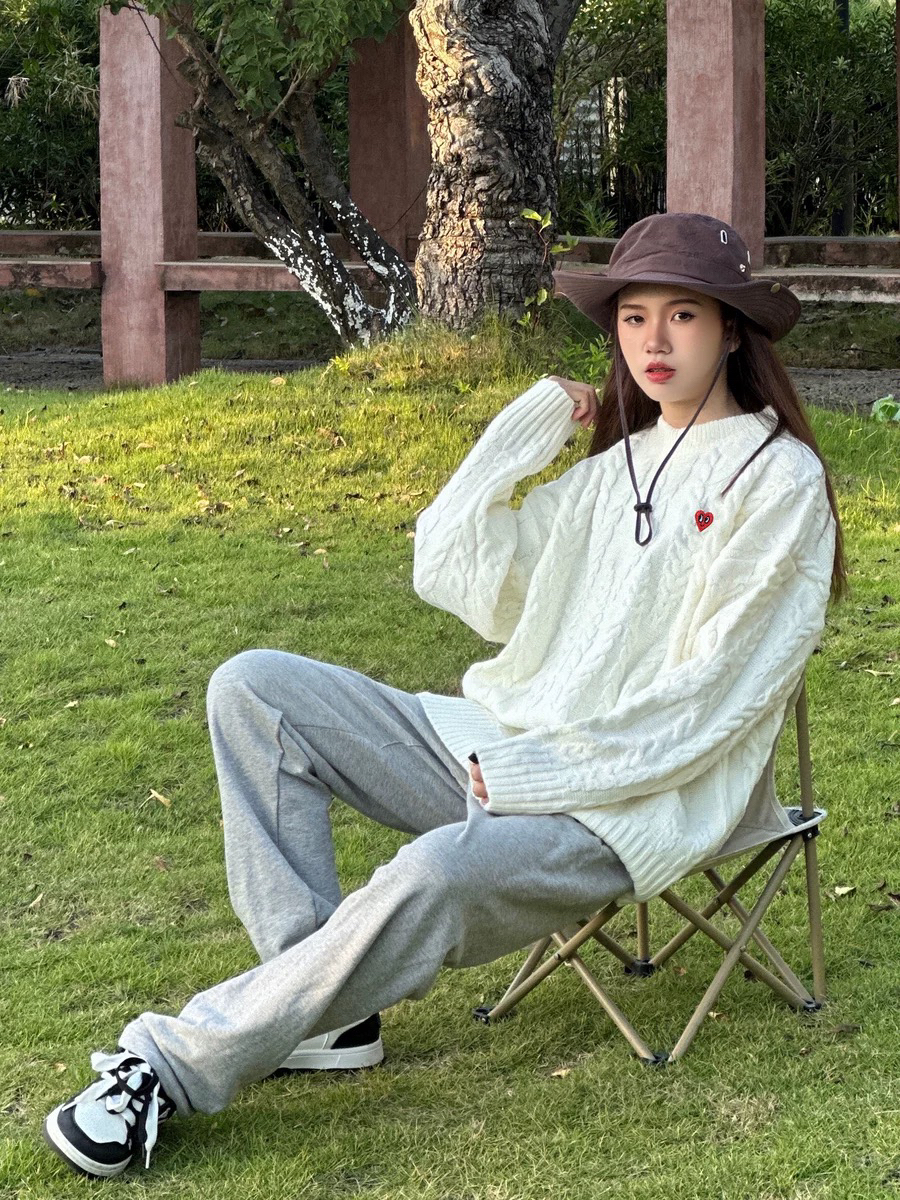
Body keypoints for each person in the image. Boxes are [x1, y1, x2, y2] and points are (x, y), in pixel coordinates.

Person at [43, 211, 846, 1179]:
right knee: (254, 690)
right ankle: (324, 1015)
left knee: (429, 874)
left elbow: (711, 702)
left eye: (683, 315)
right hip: (504, 742)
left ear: (732, 331)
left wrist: (538, 773)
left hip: (638, 803)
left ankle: (172, 1062)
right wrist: (524, 431)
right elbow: (456, 565)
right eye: (634, 318)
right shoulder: (611, 474)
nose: (654, 342)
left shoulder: (781, 481)